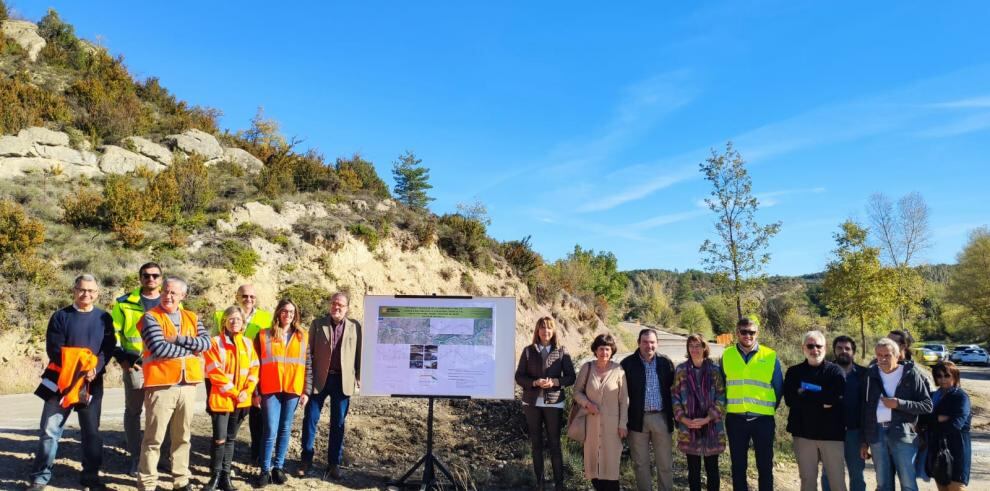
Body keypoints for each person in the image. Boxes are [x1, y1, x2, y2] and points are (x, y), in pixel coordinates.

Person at [28, 274, 115, 491]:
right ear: (74, 290)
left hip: (90, 383)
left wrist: (96, 368)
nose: (86, 294)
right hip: (62, 382)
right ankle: (40, 477)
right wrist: (81, 368)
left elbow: (108, 348)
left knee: (91, 432)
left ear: (97, 293)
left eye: (91, 291)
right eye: (82, 290)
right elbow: (55, 350)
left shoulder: (104, 317)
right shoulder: (60, 316)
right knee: (50, 430)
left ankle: (90, 478)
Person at [136, 277, 211, 491]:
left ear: (182, 296)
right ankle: (148, 484)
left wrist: (177, 339)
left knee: (183, 437)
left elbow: (206, 343)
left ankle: (181, 480)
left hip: (188, 386)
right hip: (161, 385)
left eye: (173, 293)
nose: (168, 296)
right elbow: (159, 348)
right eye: (165, 291)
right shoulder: (150, 317)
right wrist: (191, 348)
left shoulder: (192, 317)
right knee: (153, 439)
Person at [301, 292, 362, 480]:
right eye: (334, 303)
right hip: (319, 379)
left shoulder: (355, 327)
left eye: (341, 305)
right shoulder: (317, 324)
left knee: (338, 423)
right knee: (310, 419)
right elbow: (308, 353)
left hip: (342, 381)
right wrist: (306, 380)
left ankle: (334, 464)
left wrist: (359, 375)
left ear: (347, 308)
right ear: (330, 305)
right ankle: (306, 460)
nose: (337, 307)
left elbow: (359, 353)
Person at [111, 261, 164, 476]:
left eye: (155, 275)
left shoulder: (171, 300)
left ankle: (161, 457)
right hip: (136, 366)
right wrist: (122, 359)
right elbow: (113, 334)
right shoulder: (124, 303)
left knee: (162, 412)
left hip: (163, 366)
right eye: (146, 275)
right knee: (133, 412)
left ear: (161, 278)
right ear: (140, 278)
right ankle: (136, 458)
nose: (150, 279)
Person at [719, 317, 784, 491]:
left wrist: (767, 409)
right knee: (738, 467)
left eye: (752, 332)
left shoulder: (770, 355)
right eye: (744, 332)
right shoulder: (727, 355)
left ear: (757, 333)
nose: (748, 335)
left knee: (764, 467)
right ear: (737, 333)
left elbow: (778, 389)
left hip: (763, 420)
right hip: (735, 420)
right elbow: (722, 386)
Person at [860, 337, 933, 491]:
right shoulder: (870, 375)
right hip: (877, 434)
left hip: (903, 434)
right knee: (883, 484)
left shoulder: (910, 374)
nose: (883, 359)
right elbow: (865, 409)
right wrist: (864, 440)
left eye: (887, 355)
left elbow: (927, 406)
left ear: (898, 355)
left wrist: (899, 403)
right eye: (879, 355)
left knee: (908, 484)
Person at [514, 316, 576, 491]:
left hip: (554, 403)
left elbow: (571, 377)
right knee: (536, 443)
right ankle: (540, 483)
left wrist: (555, 382)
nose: (545, 331)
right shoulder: (528, 351)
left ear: (553, 330)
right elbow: (519, 376)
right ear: (537, 330)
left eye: (549, 328)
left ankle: (559, 484)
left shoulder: (562, 351)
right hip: (531, 402)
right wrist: (534, 383)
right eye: (542, 327)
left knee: (555, 443)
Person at [214, 284, 273, 466]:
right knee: (226, 422)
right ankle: (221, 461)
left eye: (252, 297)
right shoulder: (222, 315)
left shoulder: (266, 318)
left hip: (254, 372)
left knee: (257, 415)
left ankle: (255, 453)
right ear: (237, 296)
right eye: (245, 296)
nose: (248, 300)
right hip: (226, 377)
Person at [202, 306, 260, 491]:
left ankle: (225, 476)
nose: (235, 322)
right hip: (222, 399)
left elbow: (254, 369)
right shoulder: (215, 342)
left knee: (230, 439)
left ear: (243, 323)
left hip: (241, 400)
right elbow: (215, 373)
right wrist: (236, 392)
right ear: (224, 321)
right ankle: (215, 476)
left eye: (238, 319)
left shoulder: (248, 344)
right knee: (219, 438)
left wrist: (248, 390)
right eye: (231, 319)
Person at [784, 330, 847, 491]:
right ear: (803, 348)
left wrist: (805, 393)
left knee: (837, 482)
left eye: (818, 346)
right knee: (807, 481)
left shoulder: (835, 372)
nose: (814, 350)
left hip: (832, 435)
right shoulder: (793, 372)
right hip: (803, 434)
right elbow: (791, 400)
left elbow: (834, 399)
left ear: (825, 348)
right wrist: (821, 397)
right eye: (810, 346)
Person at [256, 299, 309, 487]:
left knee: (285, 429)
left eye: (292, 312)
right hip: (270, 388)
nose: (288, 315)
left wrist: (306, 391)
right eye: (285, 311)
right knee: (270, 429)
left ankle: (278, 467)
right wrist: (256, 391)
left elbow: (308, 365)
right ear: (278, 312)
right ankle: (264, 470)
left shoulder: (303, 335)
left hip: (293, 389)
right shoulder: (264, 335)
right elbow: (255, 366)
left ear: (296, 315)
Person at [620, 328, 675, 491]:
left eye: (652, 342)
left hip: (661, 418)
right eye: (645, 342)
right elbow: (621, 395)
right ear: (638, 343)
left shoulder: (665, 363)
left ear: (657, 344)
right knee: (640, 464)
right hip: (637, 419)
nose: (648, 346)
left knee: (665, 463)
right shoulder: (627, 363)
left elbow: (675, 390)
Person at [572, 334, 628, 491]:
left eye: (607, 349)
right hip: (591, 425)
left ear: (612, 351)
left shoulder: (618, 370)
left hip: (613, 427)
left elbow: (624, 400)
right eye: (601, 349)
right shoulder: (587, 368)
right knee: (594, 471)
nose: (604, 352)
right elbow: (577, 392)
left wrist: (623, 423)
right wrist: (587, 404)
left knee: (611, 471)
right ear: (595, 351)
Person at [671, 334, 727, 491]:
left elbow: (721, 397)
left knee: (712, 469)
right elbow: (674, 395)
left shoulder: (715, 370)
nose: (694, 349)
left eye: (698, 346)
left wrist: (708, 418)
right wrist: (682, 418)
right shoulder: (681, 370)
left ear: (704, 348)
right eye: (691, 346)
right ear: (688, 349)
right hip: (689, 427)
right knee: (693, 470)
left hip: (712, 426)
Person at [823, 335, 868, 491]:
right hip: (829, 433)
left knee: (857, 475)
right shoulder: (824, 372)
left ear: (853, 352)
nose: (843, 351)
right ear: (834, 351)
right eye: (839, 348)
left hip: (854, 433)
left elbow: (867, 408)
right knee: (829, 475)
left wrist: (865, 438)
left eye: (847, 348)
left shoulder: (864, 375)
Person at [924, 361, 971, 490]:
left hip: (956, 449)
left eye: (947, 375)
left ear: (955, 376)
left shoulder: (961, 397)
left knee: (956, 486)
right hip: (936, 448)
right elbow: (922, 419)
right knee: (942, 486)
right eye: (939, 376)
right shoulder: (933, 396)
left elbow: (956, 424)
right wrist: (937, 419)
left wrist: (931, 422)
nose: (943, 379)